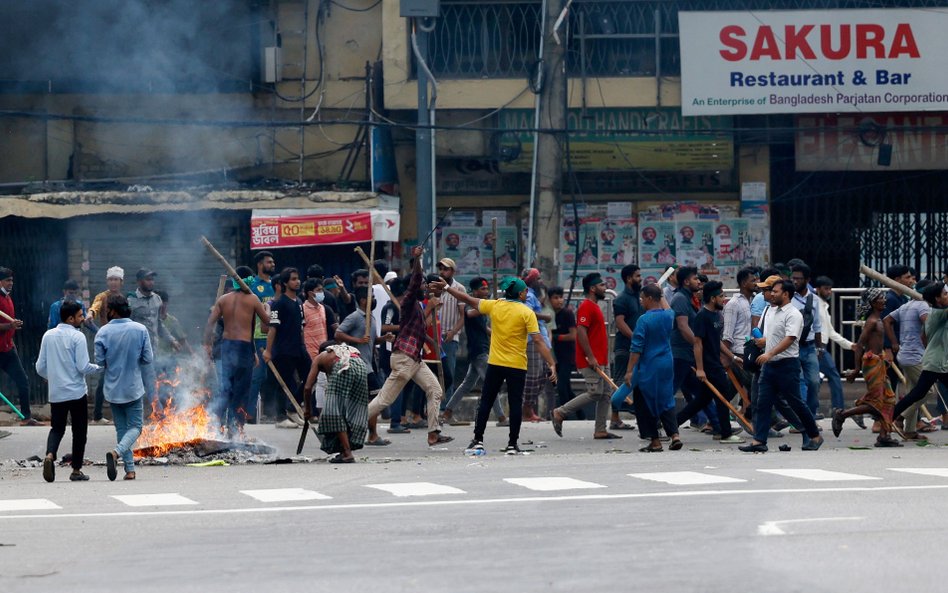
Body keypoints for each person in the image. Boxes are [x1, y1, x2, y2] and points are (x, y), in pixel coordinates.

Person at [435, 275, 558, 455]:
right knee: (515, 403)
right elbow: (538, 341)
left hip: (496, 363)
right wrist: (551, 363)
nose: (526, 293)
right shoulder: (526, 313)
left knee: (486, 401)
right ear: (520, 293)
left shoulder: (495, 305)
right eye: (524, 290)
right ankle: (512, 444)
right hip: (517, 365)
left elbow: (467, 299)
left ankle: (477, 440)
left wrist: (447, 288)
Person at [365, 245, 453, 447]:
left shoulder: (418, 308)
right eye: (423, 285)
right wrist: (418, 260)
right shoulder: (408, 301)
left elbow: (423, 330)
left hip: (414, 358)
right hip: (404, 357)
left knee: (435, 390)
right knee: (384, 401)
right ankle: (347, 424)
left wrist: (431, 307)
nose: (425, 287)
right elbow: (414, 283)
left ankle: (433, 433)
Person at [739, 280, 823, 453]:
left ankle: (814, 435)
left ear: (786, 294)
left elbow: (790, 338)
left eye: (776, 291)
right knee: (762, 403)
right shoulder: (769, 310)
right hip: (769, 366)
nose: (772, 294)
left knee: (796, 403)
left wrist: (770, 352)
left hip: (787, 365)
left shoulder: (793, 314)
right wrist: (763, 343)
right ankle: (759, 440)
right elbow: (771, 335)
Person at [37, 301, 102, 482]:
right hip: (76, 392)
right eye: (80, 316)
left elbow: (40, 367)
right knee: (79, 431)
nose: (82, 319)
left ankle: (50, 455)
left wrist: (53, 377)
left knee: (57, 428)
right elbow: (83, 366)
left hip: (56, 393)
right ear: (70, 318)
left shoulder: (48, 335)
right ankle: (76, 470)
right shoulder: (77, 336)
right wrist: (98, 368)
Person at [675, 281, 744, 444]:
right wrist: (700, 369)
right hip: (708, 366)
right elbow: (697, 343)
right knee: (723, 397)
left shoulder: (717, 316)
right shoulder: (702, 316)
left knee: (701, 400)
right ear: (713, 299)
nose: (724, 299)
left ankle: (672, 424)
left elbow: (717, 341)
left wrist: (732, 357)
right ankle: (725, 433)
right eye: (721, 296)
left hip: (716, 362)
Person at [552, 273, 618, 440]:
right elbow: (581, 332)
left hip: (602, 358)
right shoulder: (586, 306)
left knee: (606, 393)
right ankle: (560, 412)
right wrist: (591, 356)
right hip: (591, 360)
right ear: (593, 288)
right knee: (595, 393)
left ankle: (600, 430)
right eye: (602, 285)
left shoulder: (594, 306)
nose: (605, 288)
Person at [95, 295, 154, 481]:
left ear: (112, 311)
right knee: (136, 427)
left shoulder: (103, 332)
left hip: (112, 389)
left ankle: (130, 470)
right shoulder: (140, 329)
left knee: (121, 430)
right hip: (133, 387)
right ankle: (117, 453)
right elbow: (147, 359)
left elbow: (99, 362)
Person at [834, 289, 900, 446]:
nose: (884, 300)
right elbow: (859, 346)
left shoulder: (879, 320)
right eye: (880, 298)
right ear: (873, 303)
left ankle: (884, 435)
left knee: (889, 399)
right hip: (872, 364)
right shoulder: (871, 322)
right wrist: (856, 370)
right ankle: (842, 414)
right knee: (876, 402)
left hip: (879, 362)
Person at [203, 278, 269, 433]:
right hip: (243, 348)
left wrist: (207, 344)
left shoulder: (223, 299)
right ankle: (235, 429)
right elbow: (267, 320)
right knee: (241, 390)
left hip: (227, 347)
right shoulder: (253, 299)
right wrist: (267, 307)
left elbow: (209, 324)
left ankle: (215, 426)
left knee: (226, 389)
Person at [622, 283, 681, 452]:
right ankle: (674, 435)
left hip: (650, 365)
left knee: (644, 401)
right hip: (667, 364)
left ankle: (655, 441)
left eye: (642, 298)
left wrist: (629, 371)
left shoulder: (644, 320)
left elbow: (636, 348)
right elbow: (669, 308)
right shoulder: (668, 316)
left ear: (649, 298)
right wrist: (660, 293)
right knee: (666, 399)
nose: (641, 301)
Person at [884, 282, 948, 432]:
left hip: (935, 360)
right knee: (917, 393)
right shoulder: (939, 314)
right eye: (945, 294)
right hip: (937, 362)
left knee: (916, 393)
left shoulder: (933, 313)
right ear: (937, 299)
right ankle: (890, 419)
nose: (947, 296)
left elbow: (923, 337)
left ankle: (889, 419)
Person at [442, 277, 507, 426]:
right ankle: (502, 418)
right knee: (491, 383)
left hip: (480, 349)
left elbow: (483, 328)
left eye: (486, 289)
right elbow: (469, 315)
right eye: (483, 289)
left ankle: (447, 412)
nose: (486, 291)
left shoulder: (482, 307)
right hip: (478, 351)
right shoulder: (470, 306)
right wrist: (492, 305)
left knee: (467, 385)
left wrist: (498, 334)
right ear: (475, 291)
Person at [303, 343, 370, 463]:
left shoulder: (319, 358)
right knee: (355, 408)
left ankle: (347, 452)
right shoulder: (342, 351)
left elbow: (308, 387)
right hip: (361, 366)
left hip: (343, 366)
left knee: (334, 412)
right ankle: (344, 450)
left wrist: (307, 410)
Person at [813, 276, 863, 428]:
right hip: (818, 347)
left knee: (816, 380)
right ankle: (839, 410)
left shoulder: (823, 305)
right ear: (818, 289)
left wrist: (850, 345)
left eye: (830, 289)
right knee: (832, 376)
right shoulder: (815, 304)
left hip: (821, 346)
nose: (828, 292)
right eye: (825, 289)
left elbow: (831, 332)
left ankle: (814, 410)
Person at [264, 267, 311, 428]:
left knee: (311, 376)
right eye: (293, 279)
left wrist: (303, 345)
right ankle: (280, 417)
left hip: (299, 348)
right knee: (283, 384)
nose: (297, 281)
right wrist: (268, 351)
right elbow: (272, 329)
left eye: (298, 278)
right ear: (285, 283)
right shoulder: (279, 304)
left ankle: (293, 408)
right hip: (283, 350)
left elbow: (301, 328)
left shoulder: (299, 302)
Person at [669, 266, 713, 432]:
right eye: (695, 279)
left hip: (687, 355)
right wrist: (698, 344)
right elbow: (682, 326)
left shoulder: (688, 298)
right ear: (686, 281)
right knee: (669, 392)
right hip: (680, 355)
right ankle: (659, 426)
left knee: (702, 392)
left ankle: (716, 423)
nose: (699, 281)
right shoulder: (680, 298)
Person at [128, 268, 178, 407]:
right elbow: (126, 325)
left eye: (152, 279)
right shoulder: (131, 300)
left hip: (152, 351)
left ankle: (159, 414)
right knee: (137, 385)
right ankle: (152, 414)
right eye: (147, 279)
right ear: (139, 282)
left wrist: (172, 340)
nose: (151, 282)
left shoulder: (157, 299)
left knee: (153, 383)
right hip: (135, 351)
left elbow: (159, 324)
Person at [0, 267, 38, 426]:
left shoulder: (8, 298)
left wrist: (11, 331)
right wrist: (9, 326)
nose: (11, 283)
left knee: (23, 381)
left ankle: (26, 417)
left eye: (12, 280)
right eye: (8, 280)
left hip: (8, 349)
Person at [610, 264, 642, 430]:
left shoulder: (637, 296)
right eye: (637, 276)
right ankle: (615, 419)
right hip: (624, 347)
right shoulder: (622, 298)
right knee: (620, 381)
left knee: (638, 381)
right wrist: (635, 337)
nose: (640, 278)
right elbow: (620, 322)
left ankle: (640, 416)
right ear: (629, 278)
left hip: (636, 348)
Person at [790, 263, 823, 418]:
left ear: (807, 280)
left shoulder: (814, 299)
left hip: (809, 347)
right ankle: (801, 419)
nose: (795, 281)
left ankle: (811, 414)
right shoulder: (788, 297)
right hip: (793, 346)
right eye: (793, 278)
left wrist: (819, 348)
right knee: (800, 382)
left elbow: (817, 326)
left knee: (814, 382)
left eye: (799, 279)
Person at [521, 268, 553, 421]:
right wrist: (544, 316)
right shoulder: (526, 294)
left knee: (544, 374)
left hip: (541, 339)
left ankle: (529, 408)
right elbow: (526, 313)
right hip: (532, 340)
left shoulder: (534, 295)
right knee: (533, 376)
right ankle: (527, 410)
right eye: (538, 278)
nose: (540, 281)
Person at [436, 257, 466, 397]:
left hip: (449, 336)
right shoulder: (434, 285)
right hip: (433, 336)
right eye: (440, 268)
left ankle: (445, 407)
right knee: (432, 373)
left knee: (449, 373)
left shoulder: (459, 289)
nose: (442, 272)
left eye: (445, 269)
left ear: (452, 271)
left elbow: (462, 316)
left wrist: (453, 332)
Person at [549, 285, 580, 418]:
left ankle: (563, 415)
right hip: (555, 356)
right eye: (555, 298)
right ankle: (581, 415)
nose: (559, 300)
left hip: (567, 355)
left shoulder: (567, 314)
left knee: (562, 386)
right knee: (566, 388)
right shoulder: (549, 314)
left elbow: (573, 335)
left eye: (561, 297)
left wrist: (556, 337)